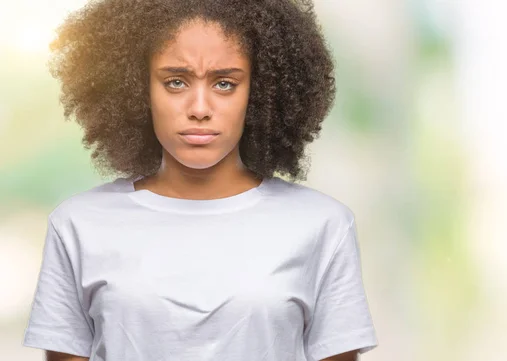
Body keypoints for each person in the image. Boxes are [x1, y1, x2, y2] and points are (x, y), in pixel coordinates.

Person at [22, 0, 378, 360]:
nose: (200, 108)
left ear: (260, 92)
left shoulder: (322, 225)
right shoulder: (79, 225)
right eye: (176, 82)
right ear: (137, 88)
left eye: (225, 83)